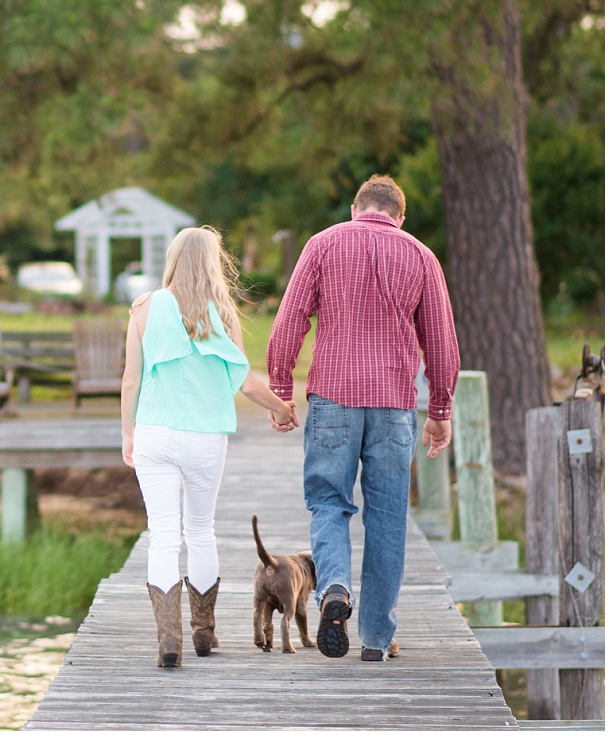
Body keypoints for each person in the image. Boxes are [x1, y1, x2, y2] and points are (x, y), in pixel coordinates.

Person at [266, 174, 458, 662]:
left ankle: (333, 587)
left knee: (329, 503)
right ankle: (375, 638)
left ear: (356, 208)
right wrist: (439, 410)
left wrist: (281, 389)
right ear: (400, 215)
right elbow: (441, 341)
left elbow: (290, 321)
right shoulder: (420, 255)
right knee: (388, 517)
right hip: (393, 405)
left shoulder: (322, 245)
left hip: (333, 398)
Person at [121, 225, 297, 669]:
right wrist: (280, 407)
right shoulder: (222, 313)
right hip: (204, 438)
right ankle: (203, 629)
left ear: (174, 259)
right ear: (213, 263)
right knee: (200, 530)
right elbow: (244, 381)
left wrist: (128, 434)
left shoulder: (143, 308)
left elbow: (130, 379)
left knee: (163, 533)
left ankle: (169, 639)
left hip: (154, 433)